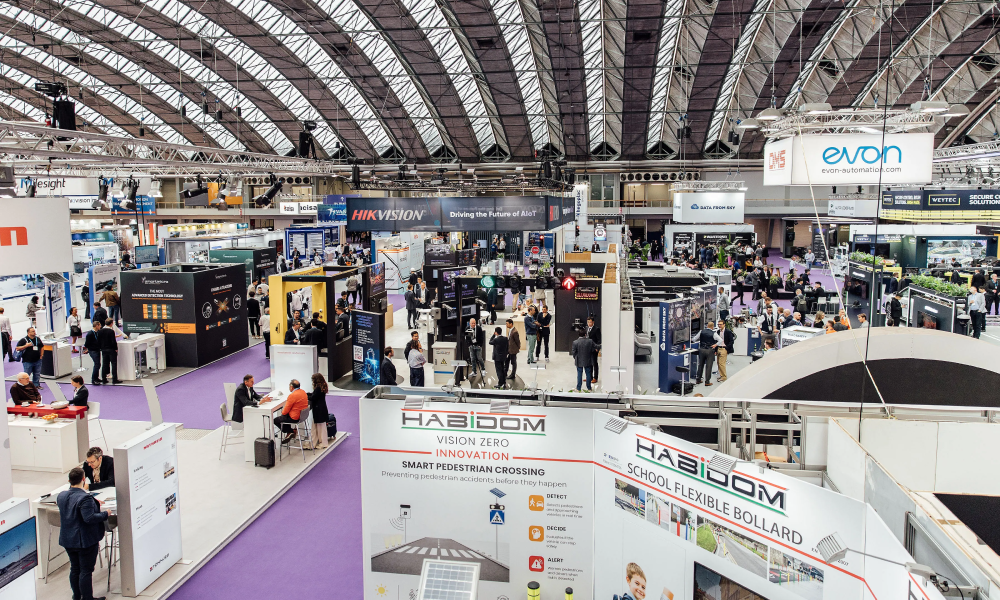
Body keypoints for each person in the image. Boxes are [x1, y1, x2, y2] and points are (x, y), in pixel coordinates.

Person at [57, 467, 110, 600]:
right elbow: (89, 518)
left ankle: (77, 596)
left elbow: (73, 507)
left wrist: (93, 503)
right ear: (83, 479)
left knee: (75, 569)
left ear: (69, 480)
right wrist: (105, 514)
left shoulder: (61, 496)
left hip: (68, 539)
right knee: (86, 571)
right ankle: (87, 598)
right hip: (84, 541)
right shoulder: (85, 498)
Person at [308, 373, 330, 448]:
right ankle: (315, 442)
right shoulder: (322, 386)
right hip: (321, 409)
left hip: (319, 410)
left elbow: (313, 397)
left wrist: (306, 395)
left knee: (321, 427)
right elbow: (314, 395)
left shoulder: (318, 388)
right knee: (319, 427)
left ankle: (323, 443)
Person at [99, 318, 121, 384]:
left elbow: (99, 340)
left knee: (104, 364)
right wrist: (116, 348)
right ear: (111, 324)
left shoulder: (100, 331)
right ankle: (114, 379)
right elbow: (113, 341)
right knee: (114, 364)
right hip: (111, 350)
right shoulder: (111, 331)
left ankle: (103, 378)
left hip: (104, 350)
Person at [586, 316, 601, 383]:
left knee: (594, 363)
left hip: (594, 349)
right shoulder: (586, 328)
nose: (589, 323)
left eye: (590, 322)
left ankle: (595, 377)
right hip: (587, 349)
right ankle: (589, 377)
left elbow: (599, 340)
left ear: (593, 322)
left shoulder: (596, 329)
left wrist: (597, 348)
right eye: (588, 322)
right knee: (588, 363)